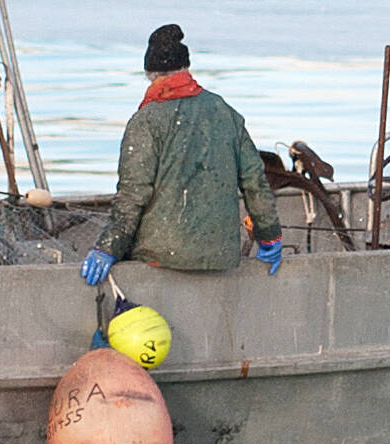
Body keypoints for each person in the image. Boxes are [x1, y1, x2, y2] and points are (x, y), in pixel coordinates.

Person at [80, 24, 283, 285]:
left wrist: (107, 248)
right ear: (186, 69)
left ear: (149, 74)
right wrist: (270, 236)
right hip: (221, 255)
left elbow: (133, 195)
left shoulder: (146, 120)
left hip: (160, 256)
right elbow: (255, 183)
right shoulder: (224, 111)